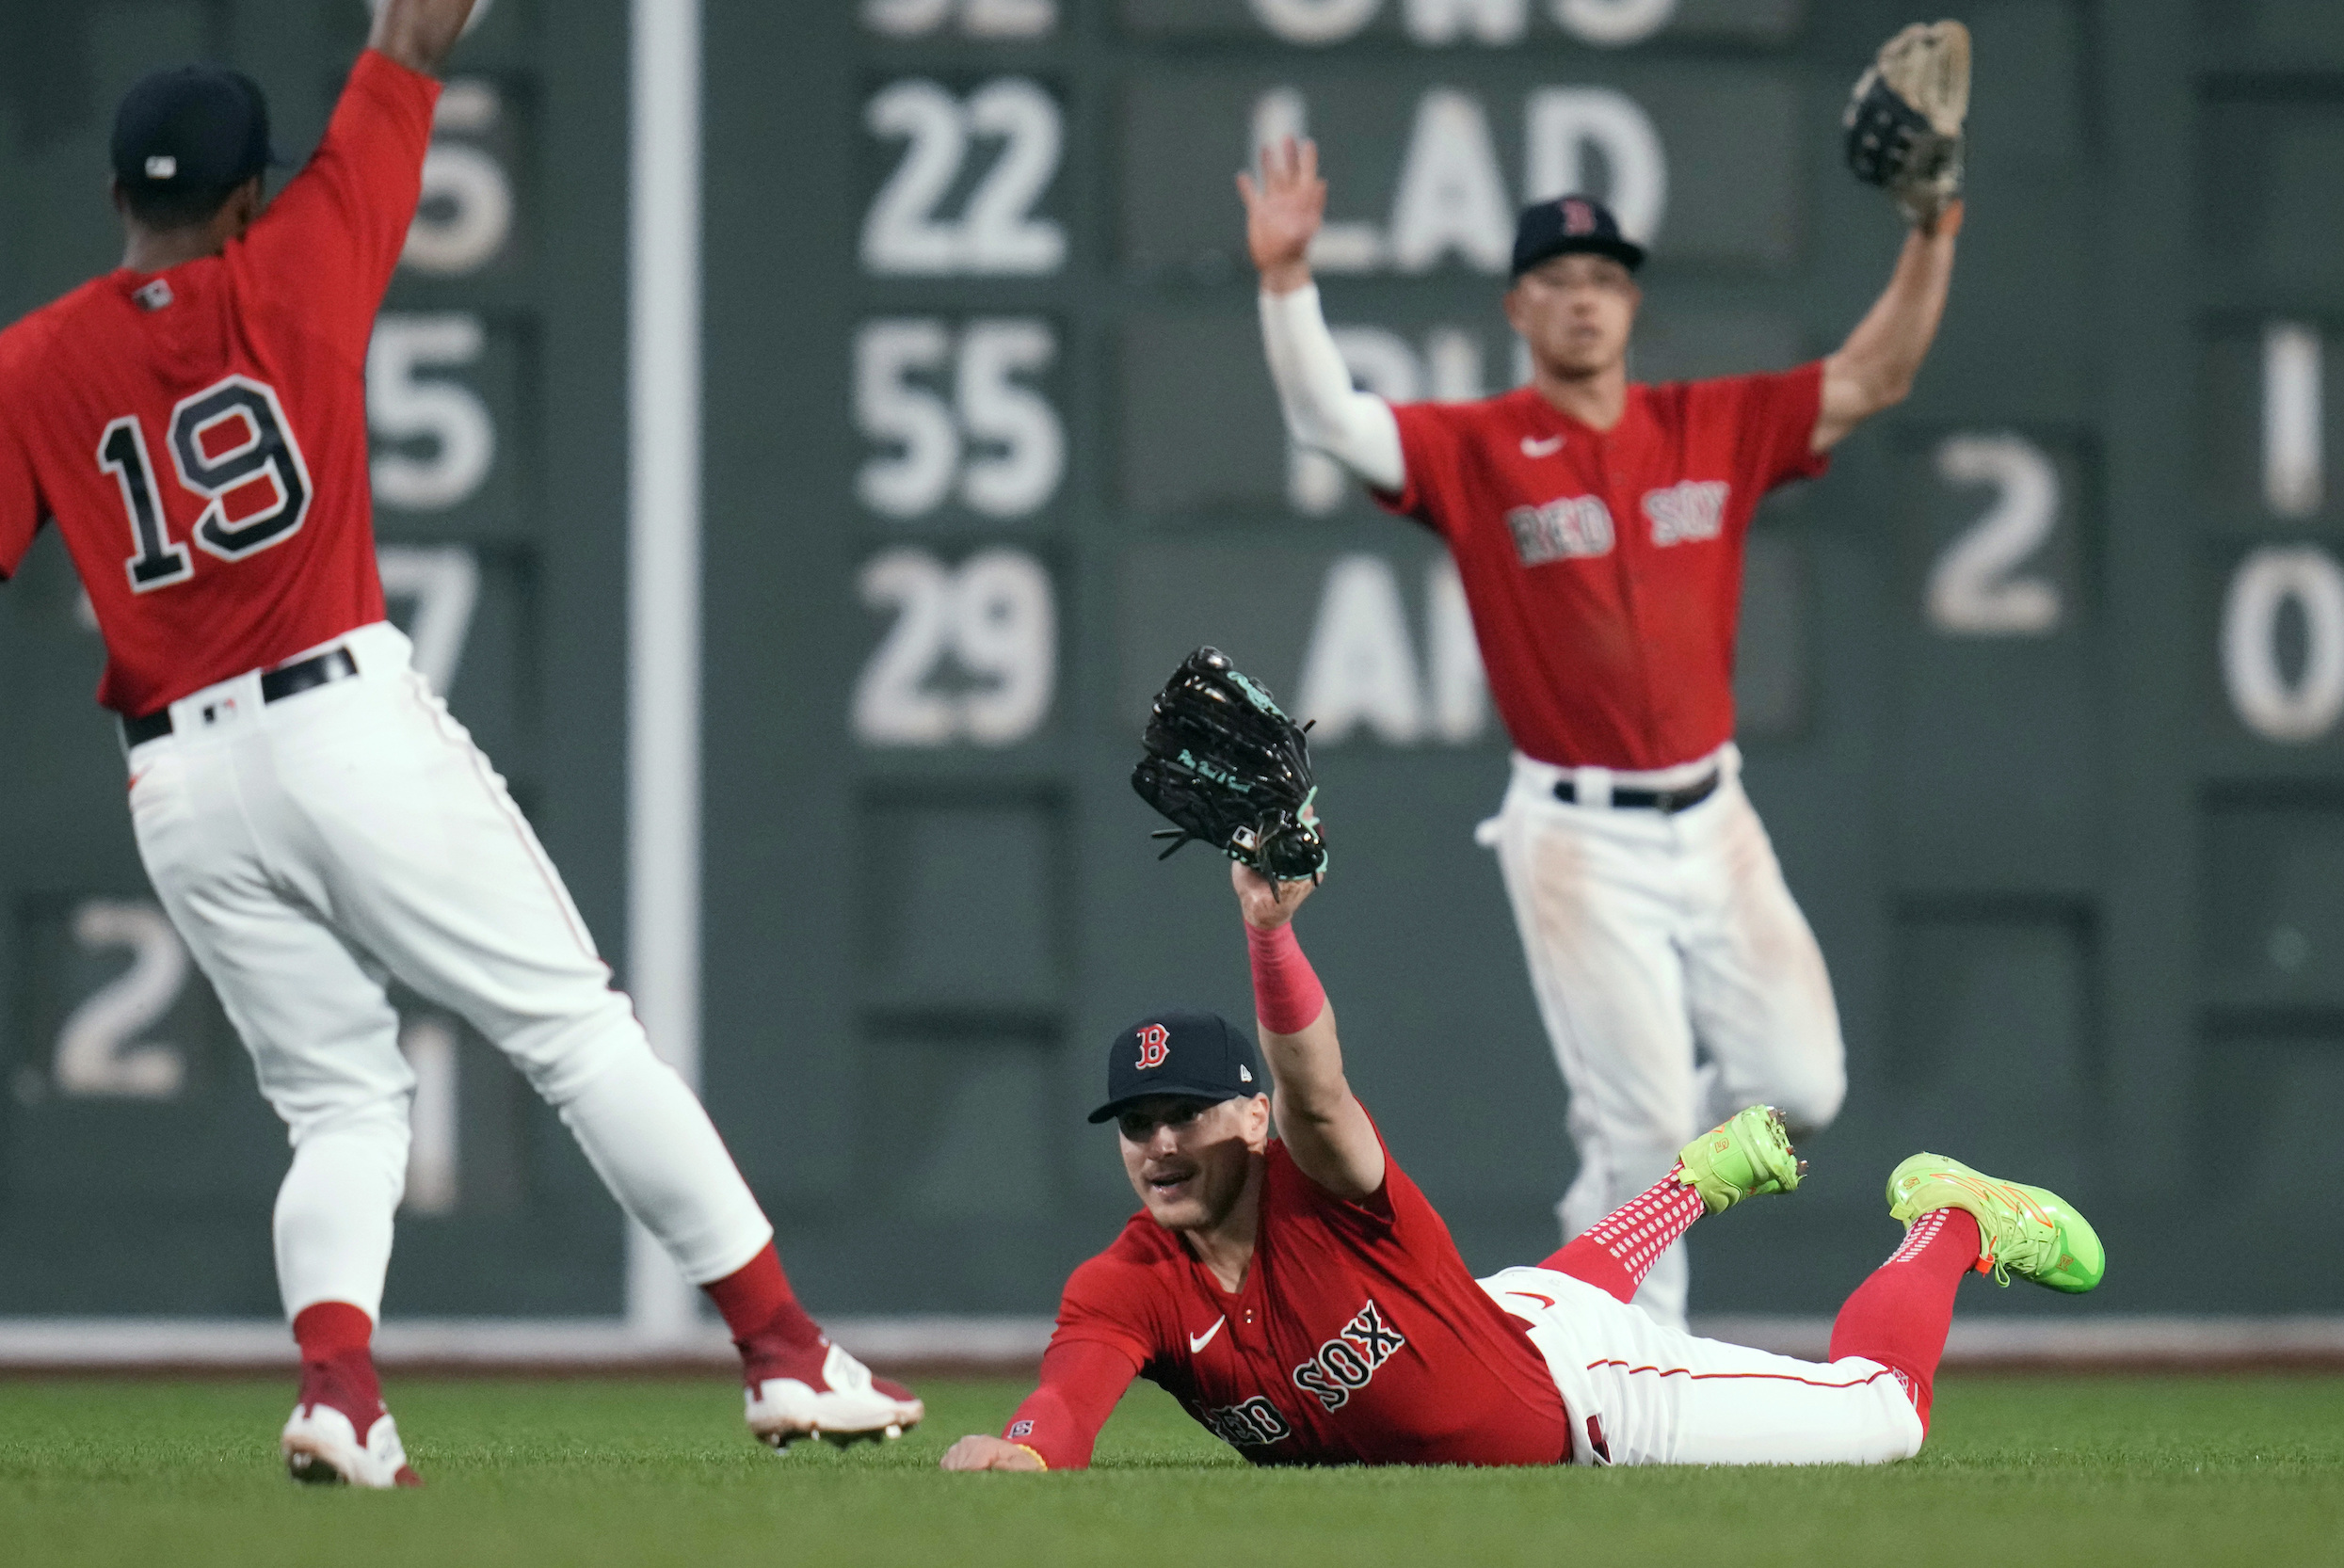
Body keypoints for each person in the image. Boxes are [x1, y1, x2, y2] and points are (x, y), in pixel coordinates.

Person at [0, 0, 918, 1487]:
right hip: (338, 719)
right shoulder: (294, 266)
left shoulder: (27, 365)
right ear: (246, 197)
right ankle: (785, 1351)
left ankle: (340, 1390)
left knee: (340, 1098)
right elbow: (413, 44)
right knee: (573, 1028)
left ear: (117, 193)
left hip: (175, 782)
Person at [1236, 139, 1966, 1329]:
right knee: (1641, 1128)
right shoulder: (1479, 449)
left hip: (1713, 815)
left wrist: (1932, 227)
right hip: (1578, 833)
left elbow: (1873, 376)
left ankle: (1620, 1185)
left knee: (1802, 1091)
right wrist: (1286, 282)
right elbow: (1328, 416)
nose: (1583, 295)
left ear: (1630, 301)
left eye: (1605, 276)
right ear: (1518, 304)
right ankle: (1633, 1361)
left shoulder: (1710, 426)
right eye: (1558, 276)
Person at [940, 859, 2101, 1471]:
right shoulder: (1129, 1279)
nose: (1154, 1144)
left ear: (1247, 1123)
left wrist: (1268, 931)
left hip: (1592, 1398)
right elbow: (1066, 1403)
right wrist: (1025, 1452)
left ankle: (1951, 1219)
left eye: (1183, 1113)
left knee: (1882, 1419)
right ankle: (1699, 1177)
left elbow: (1315, 1085)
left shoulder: (1320, 1181)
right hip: (1501, 1314)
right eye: (1133, 1122)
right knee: (1527, 1296)